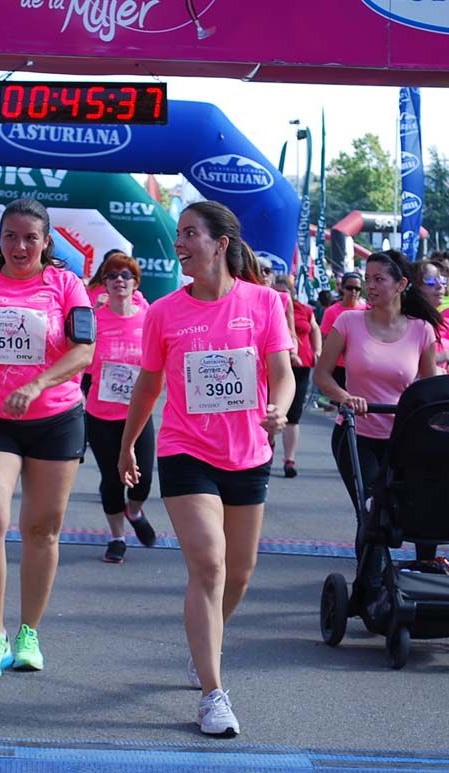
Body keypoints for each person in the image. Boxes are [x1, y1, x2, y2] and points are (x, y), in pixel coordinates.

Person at [119, 200, 294, 738]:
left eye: (190, 234)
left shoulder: (263, 303)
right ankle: (213, 694)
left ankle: (205, 642)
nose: (180, 244)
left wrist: (280, 408)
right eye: (178, 234)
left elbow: (282, 373)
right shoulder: (164, 312)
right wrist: (128, 446)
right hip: (185, 450)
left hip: (247, 454)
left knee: (239, 573)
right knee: (210, 565)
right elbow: (148, 386)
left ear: (221, 244)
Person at [0, 198, 93, 681]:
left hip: (55, 416)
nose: (20, 246)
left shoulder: (67, 285)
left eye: (31, 237)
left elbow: (84, 350)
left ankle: (29, 631)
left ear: (47, 242)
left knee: (42, 529)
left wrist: (38, 384)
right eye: (11, 236)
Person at [313, 250, 440, 562]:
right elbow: (321, 375)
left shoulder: (422, 330)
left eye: (379, 279)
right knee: (371, 512)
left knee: (419, 508)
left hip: (401, 438)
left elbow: (429, 388)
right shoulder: (348, 321)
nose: (370, 286)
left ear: (401, 284)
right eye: (367, 279)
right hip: (356, 436)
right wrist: (345, 398)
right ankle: (370, 584)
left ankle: (425, 571)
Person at [83, 252, 156, 564]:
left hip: (138, 414)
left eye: (125, 275)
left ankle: (135, 511)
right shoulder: (95, 320)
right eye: (112, 276)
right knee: (112, 479)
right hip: (101, 415)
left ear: (135, 283)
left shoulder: (147, 317)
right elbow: (82, 368)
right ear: (105, 283)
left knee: (143, 479)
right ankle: (116, 537)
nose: (119, 281)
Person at [272, 272, 321, 477]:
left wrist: (317, 351)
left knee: (293, 415)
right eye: (279, 293)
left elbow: (314, 329)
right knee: (271, 411)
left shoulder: (304, 310)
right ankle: (265, 454)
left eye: (286, 293)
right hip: (274, 365)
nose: (282, 297)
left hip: (301, 365)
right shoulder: (268, 308)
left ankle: (289, 460)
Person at [411, 257, 449, 373]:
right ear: (414, 287)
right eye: (431, 281)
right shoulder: (403, 324)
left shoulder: (448, 325)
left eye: (442, 280)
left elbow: (447, 364)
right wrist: (444, 355)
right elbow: (402, 364)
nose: (440, 286)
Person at [319, 271, 367, 391]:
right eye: (350, 288)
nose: (354, 292)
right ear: (343, 288)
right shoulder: (331, 311)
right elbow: (324, 338)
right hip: (339, 364)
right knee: (343, 404)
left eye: (357, 289)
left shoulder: (367, 310)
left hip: (361, 364)